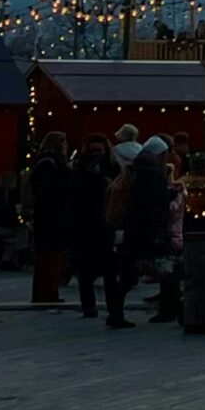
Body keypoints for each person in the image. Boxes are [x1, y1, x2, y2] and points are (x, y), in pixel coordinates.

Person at [106, 135, 177, 328]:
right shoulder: (153, 174)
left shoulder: (135, 171)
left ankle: (115, 311)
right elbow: (154, 205)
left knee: (129, 273)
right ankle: (169, 309)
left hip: (134, 230)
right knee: (167, 270)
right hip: (150, 231)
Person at [69, 133, 117, 318]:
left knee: (109, 269)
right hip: (85, 223)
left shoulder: (111, 167)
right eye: (93, 150)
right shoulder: (80, 169)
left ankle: (113, 307)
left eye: (99, 150)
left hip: (105, 222)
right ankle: (89, 305)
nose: (97, 154)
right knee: (85, 268)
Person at [28, 131, 73, 305]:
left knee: (48, 256)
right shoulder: (50, 164)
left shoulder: (44, 162)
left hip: (47, 215)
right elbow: (56, 187)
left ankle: (48, 291)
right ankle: (47, 291)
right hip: (51, 215)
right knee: (49, 255)